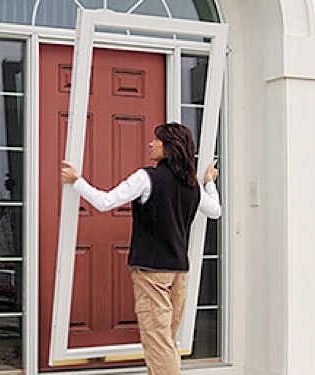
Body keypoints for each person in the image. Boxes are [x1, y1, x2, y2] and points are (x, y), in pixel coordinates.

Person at [61, 122, 221, 375]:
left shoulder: (146, 178)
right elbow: (215, 211)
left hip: (152, 273)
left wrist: (77, 181)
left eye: (156, 140)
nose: (150, 143)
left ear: (169, 147)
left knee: (159, 344)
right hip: (178, 272)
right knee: (164, 342)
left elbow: (105, 202)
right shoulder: (192, 186)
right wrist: (209, 182)